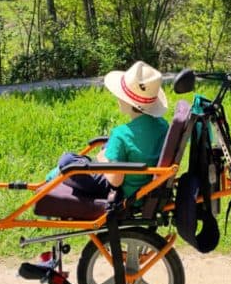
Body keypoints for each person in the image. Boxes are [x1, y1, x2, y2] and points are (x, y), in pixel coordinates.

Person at [48, 61, 169, 200]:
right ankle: (58, 173)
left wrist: (103, 159)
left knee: (67, 161)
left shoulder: (122, 134)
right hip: (144, 183)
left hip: (120, 191)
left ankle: (52, 179)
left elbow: (115, 181)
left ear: (127, 101)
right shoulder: (163, 126)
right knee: (104, 148)